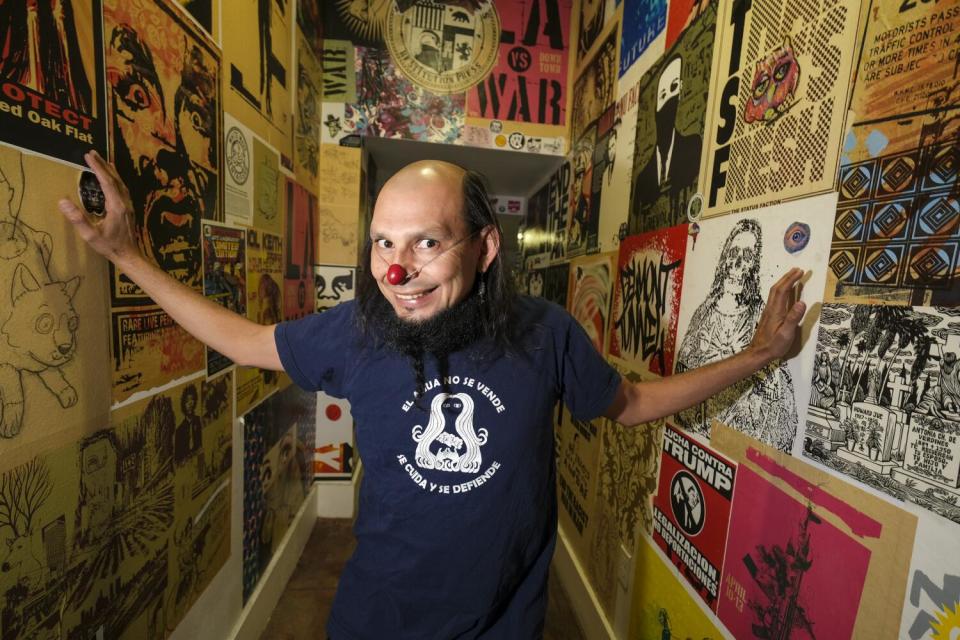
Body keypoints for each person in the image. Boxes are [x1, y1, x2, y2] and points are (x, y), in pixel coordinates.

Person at [59, 151, 806, 639]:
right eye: (384, 242)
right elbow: (242, 339)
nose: (397, 270)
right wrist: (128, 256)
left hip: (503, 622)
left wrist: (758, 353)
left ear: (484, 249)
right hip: (379, 621)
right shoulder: (357, 332)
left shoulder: (545, 335)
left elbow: (632, 402)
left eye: (426, 242)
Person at [629, 56, 702, 234]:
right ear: (655, 109)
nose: (669, 98)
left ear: (681, 92)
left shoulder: (693, 147)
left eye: (674, 88)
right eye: (663, 95)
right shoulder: (642, 180)